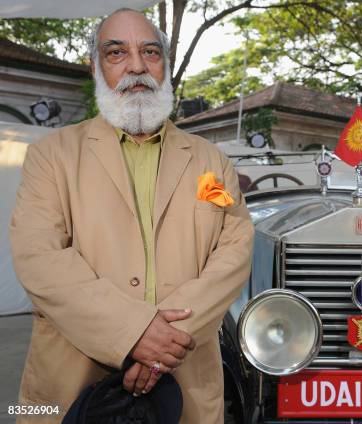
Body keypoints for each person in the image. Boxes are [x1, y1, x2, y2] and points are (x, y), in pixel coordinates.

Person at [9, 8, 254, 423]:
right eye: (117, 52)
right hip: (73, 384)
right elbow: (39, 256)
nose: (137, 66)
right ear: (95, 67)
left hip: (188, 379)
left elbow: (235, 245)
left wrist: (164, 342)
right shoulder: (52, 156)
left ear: (166, 65)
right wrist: (134, 333)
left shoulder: (209, 162)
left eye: (151, 52)